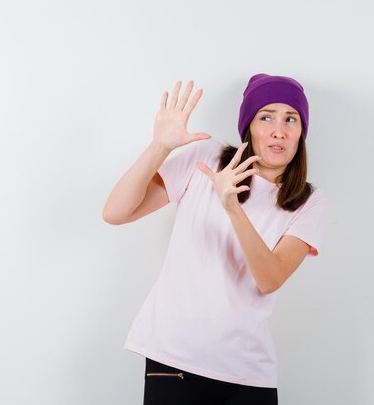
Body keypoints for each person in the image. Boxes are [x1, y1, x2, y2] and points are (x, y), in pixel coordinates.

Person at [102, 74, 326, 405]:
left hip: (248, 372)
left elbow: (269, 278)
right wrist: (159, 147)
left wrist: (233, 208)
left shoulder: (307, 200)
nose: (279, 130)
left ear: (301, 132)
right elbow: (116, 212)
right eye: (266, 117)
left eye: (290, 119)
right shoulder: (206, 158)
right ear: (249, 126)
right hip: (174, 357)